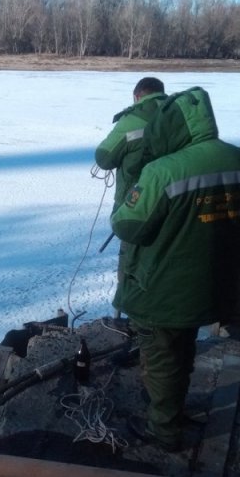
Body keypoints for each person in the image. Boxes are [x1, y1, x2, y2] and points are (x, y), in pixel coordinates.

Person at [111, 86, 240, 451]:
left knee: (161, 357)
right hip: (210, 283)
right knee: (184, 348)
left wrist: (132, 185)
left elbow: (127, 226)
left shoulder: (163, 171)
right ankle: (173, 408)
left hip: (162, 287)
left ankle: (164, 430)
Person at [94, 77, 167, 314]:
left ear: (137, 96)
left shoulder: (132, 120)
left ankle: (126, 318)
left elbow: (104, 158)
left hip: (135, 205)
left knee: (131, 262)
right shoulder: (177, 117)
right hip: (176, 202)